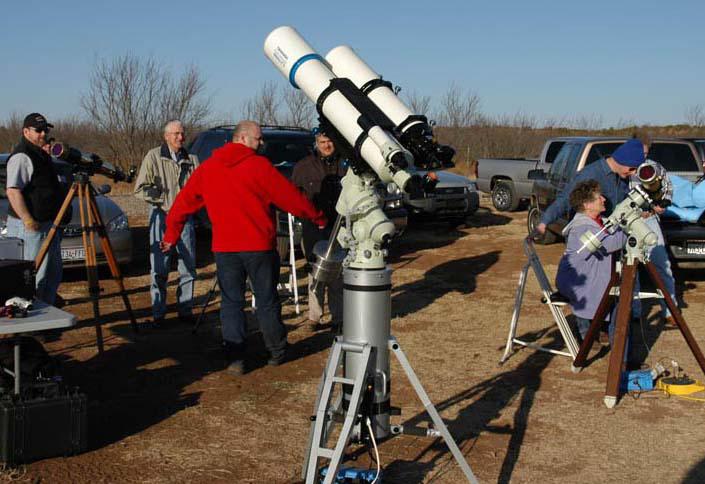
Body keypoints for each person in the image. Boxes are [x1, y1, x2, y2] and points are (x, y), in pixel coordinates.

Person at [161, 121, 326, 376]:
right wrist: (317, 216)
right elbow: (289, 198)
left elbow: (182, 205)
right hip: (258, 246)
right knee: (267, 300)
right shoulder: (259, 166)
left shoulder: (209, 168)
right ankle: (277, 351)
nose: (262, 143)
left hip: (226, 248)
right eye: (258, 139)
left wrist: (171, 235)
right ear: (243, 138)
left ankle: (236, 358)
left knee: (231, 302)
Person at [134, 120, 199, 326]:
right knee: (159, 267)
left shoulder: (192, 159)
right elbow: (140, 188)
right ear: (166, 136)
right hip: (161, 216)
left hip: (185, 219)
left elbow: (201, 186)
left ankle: (185, 309)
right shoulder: (154, 156)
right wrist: (157, 196)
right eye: (177, 134)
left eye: (183, 133)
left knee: (188, 265)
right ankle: (158, 312)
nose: (181, 137)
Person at [4, 113, 66, 304]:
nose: (42, 134)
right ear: (26, 131)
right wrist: (27, 219)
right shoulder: (22, 156)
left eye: (45, 130)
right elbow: (13, 191)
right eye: (38, 131)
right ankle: (34, 323)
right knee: (34, 278)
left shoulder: (41, 154)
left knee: (52, 275)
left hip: (48, 225)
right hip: (31, 227)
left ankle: (47, 318)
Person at [555, 180, 626, 341]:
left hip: (587, 278)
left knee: (605, 289)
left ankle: (596, 329)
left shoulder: (598, 221)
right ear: (587, 204)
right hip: (575, 282)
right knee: (598, 292)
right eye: (599, 197)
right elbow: (610, 244)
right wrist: (630, 228)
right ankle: (583, 333)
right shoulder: (581, 228)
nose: (604, 200)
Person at [291, 130, 347, 333]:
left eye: (330, 140)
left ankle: (338, 317)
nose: (326, 145)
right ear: (316, 143)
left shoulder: (346, 164)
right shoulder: (303, 166)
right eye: (322, 141)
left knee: (337, 274)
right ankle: (314, 317)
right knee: (315, 273)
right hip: (313, 227)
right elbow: (293, 195)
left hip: (339, 226)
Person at [537, 138, 646, 235]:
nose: (633, 173)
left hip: (610, 236)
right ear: (621, 160)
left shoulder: (622, 176)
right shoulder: (589, 174)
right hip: (586, 237)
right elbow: (565, 199)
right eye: (632, 168)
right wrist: (544, 222)